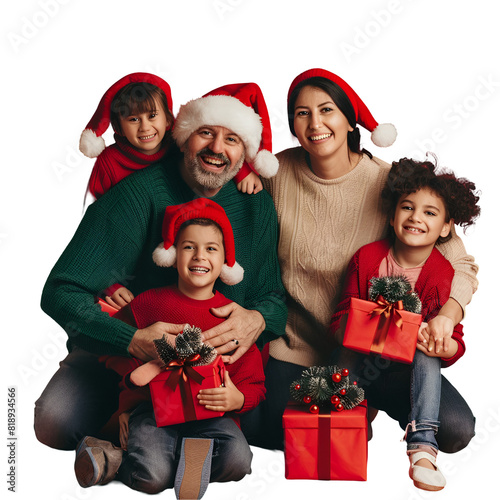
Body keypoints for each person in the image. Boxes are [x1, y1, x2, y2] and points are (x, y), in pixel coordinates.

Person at [35, 82, 286, 454]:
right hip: (125, 359)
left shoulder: (256, 206)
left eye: (232, 139)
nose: (217, 148)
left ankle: (151, 443)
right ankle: (128, 430)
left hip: (214, 371)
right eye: (206, 133)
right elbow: (60, 291)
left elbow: (273, 297)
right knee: (55, 422)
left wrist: (258, 319)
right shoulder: (136, 195)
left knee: (264, 428)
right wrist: (131, 340)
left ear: (245, 153)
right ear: (183, 137)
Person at [242, 68, 478, 451]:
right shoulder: (275, 174)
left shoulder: (390, 185)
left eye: (327, 110)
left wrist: (450, 314)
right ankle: (352, 415)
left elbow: (461, 263)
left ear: (350, 119)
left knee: (452, 428)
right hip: (299, 349)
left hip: (382, 352)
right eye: (302, 114)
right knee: (264, 425)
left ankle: (360, 404)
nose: (315, 123)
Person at [74, 199, 265, 499]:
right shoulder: (149, 303)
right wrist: (129, 404)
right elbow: (113, 350)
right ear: (173, 254)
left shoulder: (233, 317)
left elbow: (254, 381)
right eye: (189, 247)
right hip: (153, 413)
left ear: (226, 259)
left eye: (211, 248)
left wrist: (237, 398)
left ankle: (184, 457)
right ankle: (113, 458)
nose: (199, 256)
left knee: (239, 460)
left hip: (212, 418)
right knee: (151, 477)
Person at [330, 157, 480, 491]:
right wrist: (368, 321)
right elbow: (339, 319)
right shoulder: (368, 258)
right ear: (391, 214)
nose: (415, 218)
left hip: (406, 374)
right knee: (345, 361)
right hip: (360, 358)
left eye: (430, 212)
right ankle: (351, 416)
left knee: (429, 355)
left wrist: (438, 339)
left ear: (445, 228)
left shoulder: (442, 273)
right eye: (407, 208)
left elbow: (454, 342)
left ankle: (422, 447)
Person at [79, 74, 269, 309]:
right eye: (206, 133)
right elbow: (99, 234)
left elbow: (216, 160)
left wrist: (244, 171)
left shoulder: (175, 146)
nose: (145, 127)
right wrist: (107, 281)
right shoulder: (111, 166)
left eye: (152, 116)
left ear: (168, 120)